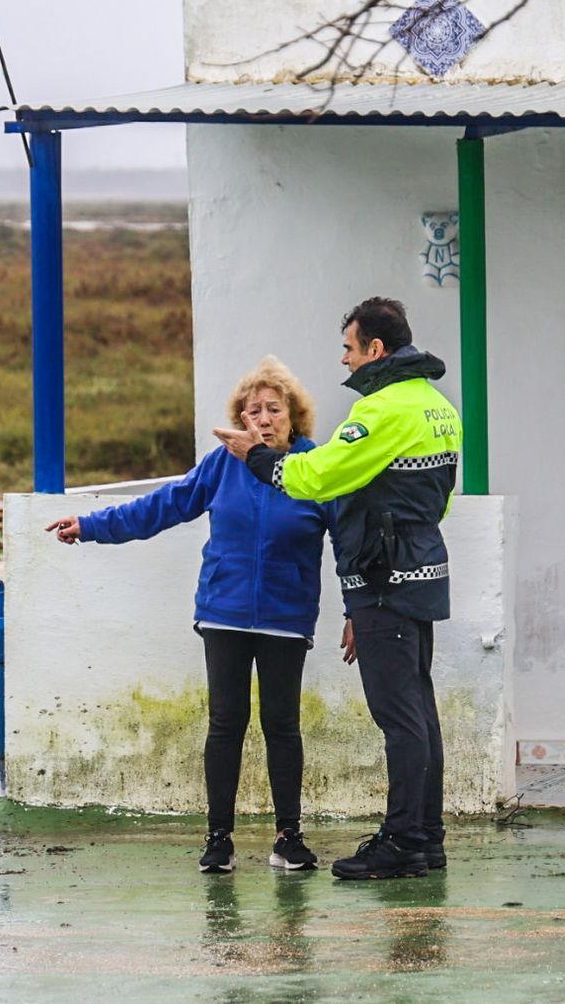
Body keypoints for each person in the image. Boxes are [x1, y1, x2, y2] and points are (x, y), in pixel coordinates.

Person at [45, 356, 335, 875]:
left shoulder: (315, 467)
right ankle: (218, 839)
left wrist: (360, 608)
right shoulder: (222, 465)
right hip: (223, 613)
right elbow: (161, 506)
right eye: (252, 411)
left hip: (285, 618)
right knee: (226, 722)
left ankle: (289, 837)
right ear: (240, 420)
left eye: (274, 409)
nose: (263, 419)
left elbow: (351, 542)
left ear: (294, 416)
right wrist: (89, 525)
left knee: (281, 725)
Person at [214, 297, 462, 881]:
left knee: (398, 717)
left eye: (349, 348)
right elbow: (442, 497)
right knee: (420, 713)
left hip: (383, 580)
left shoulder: (380, 411)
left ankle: (403, 840)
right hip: (421, 569)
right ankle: (426, 837)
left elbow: (315, 476)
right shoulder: (436, 406)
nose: (344, 361)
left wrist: (257, 458)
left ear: (376, 350)